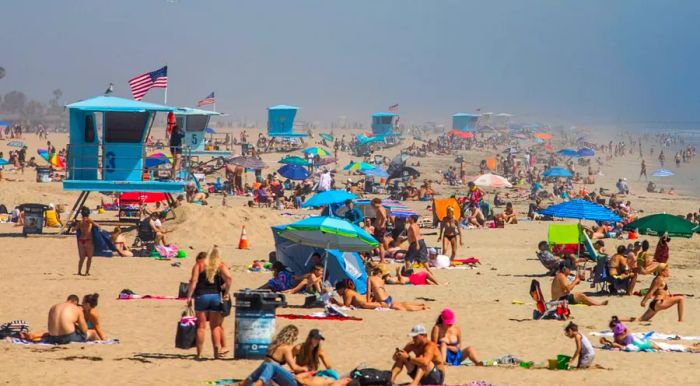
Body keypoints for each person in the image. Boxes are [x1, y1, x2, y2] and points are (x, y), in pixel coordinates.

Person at [185, 247, 233, 359]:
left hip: (201, 296)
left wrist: (189, 296)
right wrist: (226, 292)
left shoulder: (199, 265)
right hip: (215, 297)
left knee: (201, 327)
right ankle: (216, 352)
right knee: (215, 326)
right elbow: (229, 279)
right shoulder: (219, 265)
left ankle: (199, 354)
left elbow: (194, 281)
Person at [238, 325, 309, 386]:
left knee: (267, 365)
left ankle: (245, 382)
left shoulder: (273, 344)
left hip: (269, 375)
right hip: (276, 378)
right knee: (270, 365)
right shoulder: (286, 348)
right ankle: (255, 383)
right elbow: (294, 367)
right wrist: (305, 368)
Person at [73, 207, 99, 276]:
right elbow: (97, 225)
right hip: (88, 240)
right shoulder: (89, 220)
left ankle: (79, 271)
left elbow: (74, 229)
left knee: (82, 258)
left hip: (81, 241)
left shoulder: (80, 222)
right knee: (89, 258)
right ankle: (87, 272)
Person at [371, 198, 388, 263]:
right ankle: (382, 259)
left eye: (372, 204)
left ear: (376, 203)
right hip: (378, 228)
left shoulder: (380, 208)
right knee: (379, 244)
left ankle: (382, 259)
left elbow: (384, 218)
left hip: (380, 228)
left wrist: (381, 225)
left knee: (380, 245)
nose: (372, 206)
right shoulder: (380, 208)